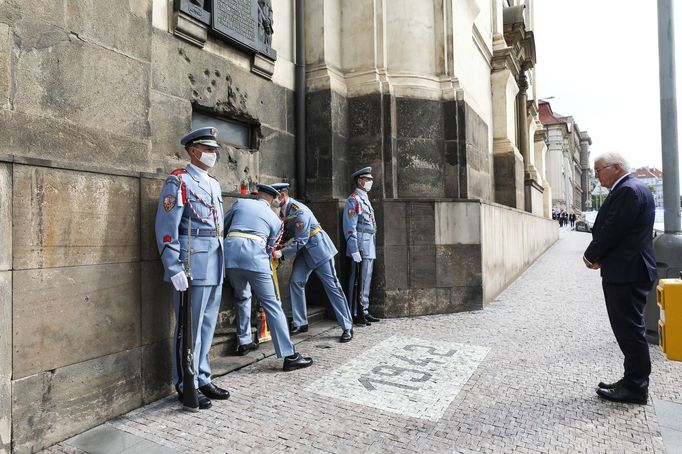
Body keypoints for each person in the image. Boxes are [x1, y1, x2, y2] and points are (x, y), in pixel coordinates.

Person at [155, 127, 230, 410]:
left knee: (207, 324)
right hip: (191, 262)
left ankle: (202, 376)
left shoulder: (213, 184)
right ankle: (185, 382)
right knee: (189, 327)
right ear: (194, 151)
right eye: (209, 150)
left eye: (214, 150)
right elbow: (166, 225)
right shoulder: (178, 181)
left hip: (215, 259)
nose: (213, 154)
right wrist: (172, 265)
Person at [583, 151, 656, 405]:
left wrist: (590, 255)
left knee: (629, 330)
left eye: (598, 169)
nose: (596, 175)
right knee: (628, 328)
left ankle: (636, 387)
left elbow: (613, 229)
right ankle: (631, 380)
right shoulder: (634, 188)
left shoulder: (627, 190)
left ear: (615, 168)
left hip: (627, 272)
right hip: (628, 269)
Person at [223, 184, 314, 371]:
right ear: (272, 200)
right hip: (255, 257)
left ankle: (244, 341)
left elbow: (224, 226)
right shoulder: (275, 219)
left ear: (258, 196)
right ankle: (289, 355)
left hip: (230, 255)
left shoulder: (240, 203)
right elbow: (270, 247)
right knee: (272, 305)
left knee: (242, 296)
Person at [271, 183, 353, 343]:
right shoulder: (284, 210)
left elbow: (300, 240)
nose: (272, 201)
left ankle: (347, 326)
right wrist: (276, 244)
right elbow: (287, 232)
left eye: (274, 197)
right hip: (305, 252)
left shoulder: (298, 211)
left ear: (282, 195)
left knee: (333, 287)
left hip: (319, 250)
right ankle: (300, 322)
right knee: (296, 282)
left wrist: (281, 253)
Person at [343, 167, 380, 325]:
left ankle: (364, 309)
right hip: (360, 244)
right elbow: (350, 226)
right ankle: (355, 312)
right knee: (358, 278)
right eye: (368, 179)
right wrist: (353, 249)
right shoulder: (354, 199)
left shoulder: (364, 198)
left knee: (366, 278)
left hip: (368, 242)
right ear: (360, 181)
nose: (370, 182)